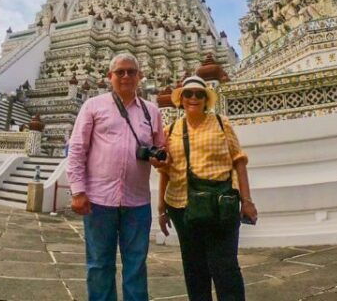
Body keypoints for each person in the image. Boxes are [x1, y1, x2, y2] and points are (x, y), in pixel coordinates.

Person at [67, 52, 168, 301]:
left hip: (137, 203)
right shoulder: (93, 106)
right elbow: (77, 148)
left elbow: (162, 148)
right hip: (99, 200)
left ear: (140, 77)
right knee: (99, 265)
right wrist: (78, 191)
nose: (126, 76)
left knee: (136, 266)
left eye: (131, 72)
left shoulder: (151, 111)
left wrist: (160, 158)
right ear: (109, 77)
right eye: (120, 72)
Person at [157, 75, 257, 301]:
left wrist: (247, 201)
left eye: (199, 94)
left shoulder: (222, 124)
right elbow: (165, 171)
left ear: (206, 99)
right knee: (194, 269)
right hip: (181, 205)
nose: (194, 98)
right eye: (188, 94)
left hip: (220, 204)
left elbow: (239, 161)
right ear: (181, 99)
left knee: (225, 267)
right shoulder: (170, 130)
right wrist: (161, 208)